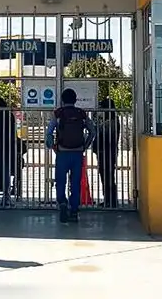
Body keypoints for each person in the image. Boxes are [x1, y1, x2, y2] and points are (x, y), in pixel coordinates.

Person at [45, 88, 96, 223]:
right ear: (75, 100)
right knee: (75, 183)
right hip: (78, 153)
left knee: (60, 181)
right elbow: (92, 131)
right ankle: (74, 210)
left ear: (62, 100)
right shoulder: (81, 114)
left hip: (62, 153)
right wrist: (85, 146)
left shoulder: (58, 113)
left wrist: (52, 146)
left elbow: (49, 132)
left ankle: (62, 202)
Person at [91, 97, 121, 208]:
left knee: (108, 176)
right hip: (106, 151)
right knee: (106, 176)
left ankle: (111, 200)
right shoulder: (111, 119)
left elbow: (103, 134)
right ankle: (108, 199)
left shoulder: (112, 121)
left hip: (107, 151)